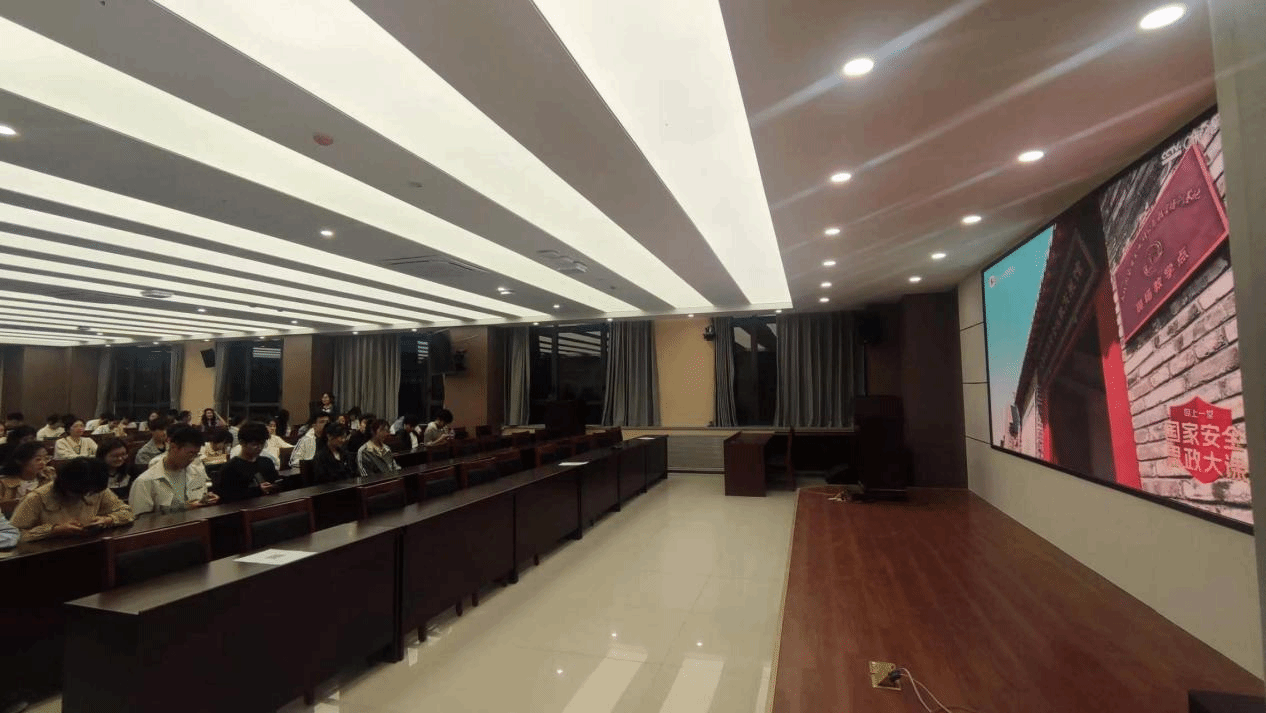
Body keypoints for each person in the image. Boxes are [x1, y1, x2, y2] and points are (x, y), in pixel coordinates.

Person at [10, 457, 135, 542]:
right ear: (65, 484)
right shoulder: (36, 498)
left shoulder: (94, 489)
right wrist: (53, 530)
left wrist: (107, 520)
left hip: (88, 545)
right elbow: (14, 535)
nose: (85, 496)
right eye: (79, 493)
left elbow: (127, 512)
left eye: (89, 493)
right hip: (46, 554)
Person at [129, 426, 219, 515]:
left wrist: (206, 500)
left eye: (196, 454)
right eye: (190, 453)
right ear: (173, 447)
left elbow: (200, 501)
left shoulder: (197, 472)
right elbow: (141, 520)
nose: (192, 459)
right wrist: (185, 508)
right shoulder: (145, 481)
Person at [214, 422, 279, 503]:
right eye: (255, 444)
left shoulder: (266, 462)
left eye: (262, 443)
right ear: (242, 443)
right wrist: (257, 490)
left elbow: (275, 482)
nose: (259, 448)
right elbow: (227, 496)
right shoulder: (230, 468)